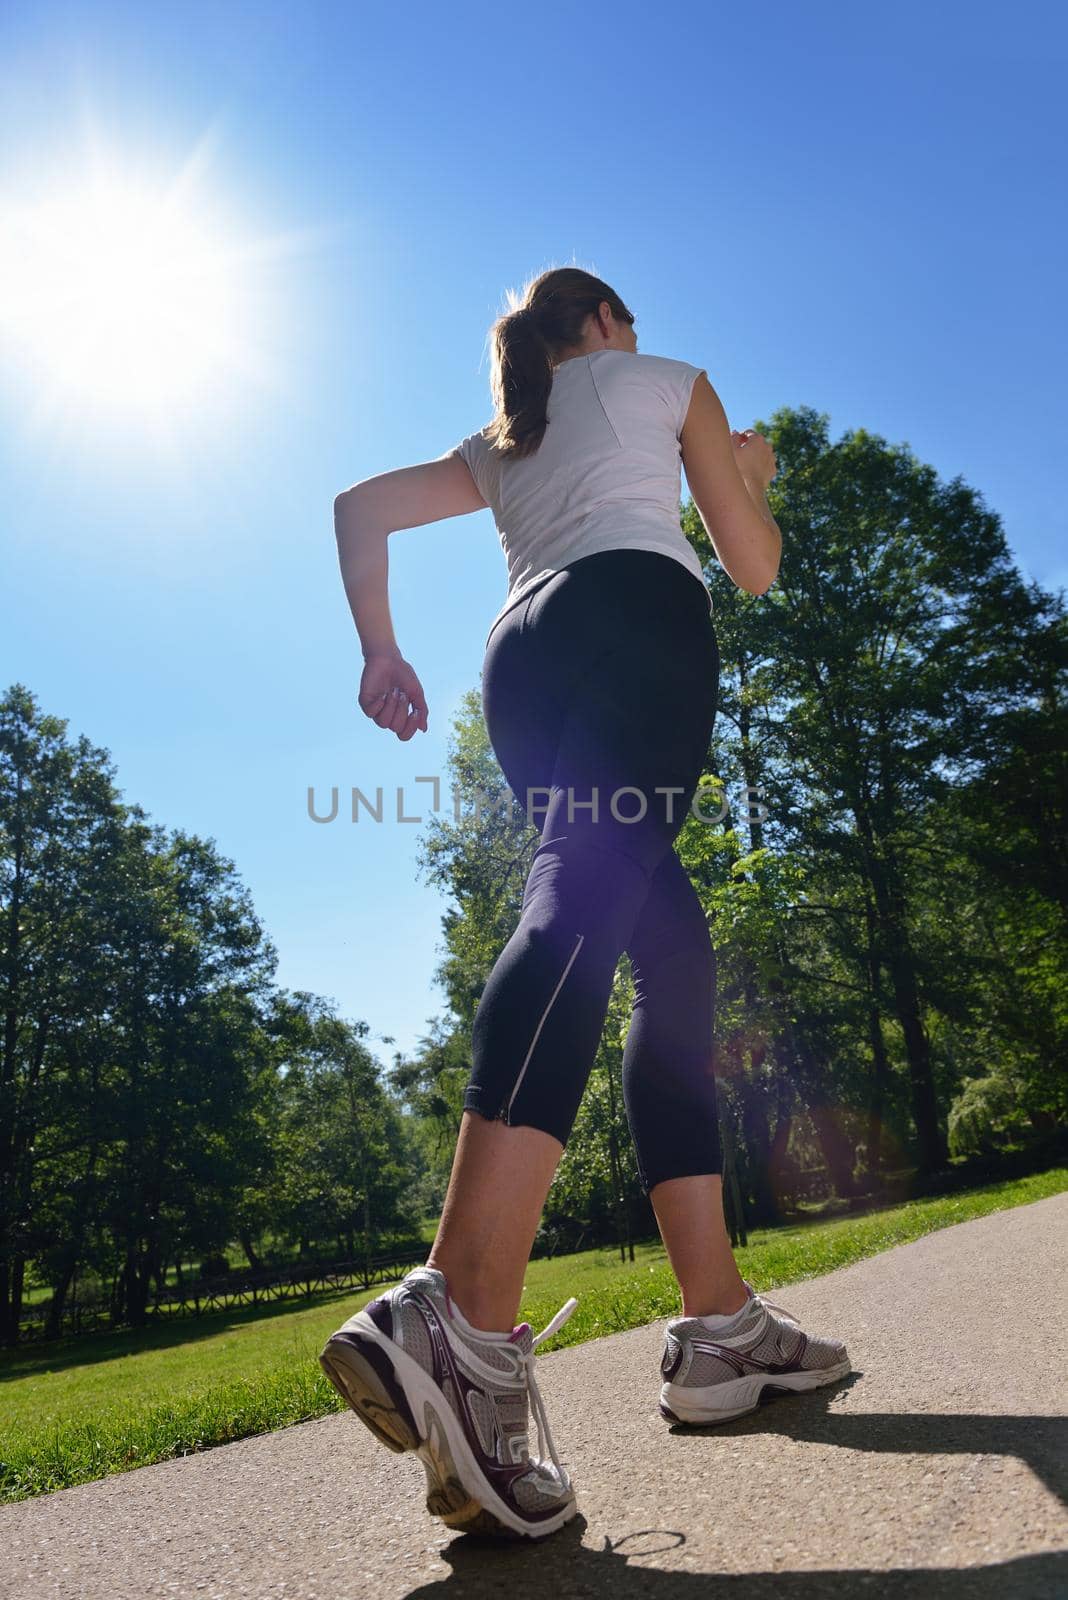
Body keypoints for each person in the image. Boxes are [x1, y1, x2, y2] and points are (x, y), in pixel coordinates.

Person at [319, 267, 850, 1542]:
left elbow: (359, 506)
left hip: (524, 655)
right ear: (605, 324)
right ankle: (461, 1309)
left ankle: (718, 1327)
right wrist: (745, 469)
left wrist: (380, 649)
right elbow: (757, 566)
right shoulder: (669, 384)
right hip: (634, 616)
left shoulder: (510, 437)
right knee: (586, 893)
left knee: (673, 958)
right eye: (629, 324)